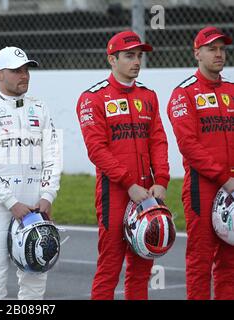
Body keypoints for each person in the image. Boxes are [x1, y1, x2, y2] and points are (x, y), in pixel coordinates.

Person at [76, 31, 170, 300]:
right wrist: (128, 183)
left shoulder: (149, 96)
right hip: (114, 192)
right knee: (110, 267)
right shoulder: (92, 98)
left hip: (149, 192)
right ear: (112, 59)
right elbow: (96, 149)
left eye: (139, 56)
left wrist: (161, 180)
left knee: (142, 267)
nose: (137, 61)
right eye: (129, 56)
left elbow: (158, 141)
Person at [0, 46, 62, 299]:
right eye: (16, 70)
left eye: (26, 69)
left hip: (36, 203)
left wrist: (48, 196)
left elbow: (53, 155)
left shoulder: (40, 108)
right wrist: (11, 202)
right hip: (0, 207)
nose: (24, 75)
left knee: (35, 276)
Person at [167, 26, 234, 300]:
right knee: (200, 260)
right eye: (211, 49)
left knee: (230, 262)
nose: (219, 54)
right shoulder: (183, 94)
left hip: (232, 185)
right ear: (197, 53)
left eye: (222, 49)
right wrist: (224, 179)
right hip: (202, 188)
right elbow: (189, 146)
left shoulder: (231, 89)